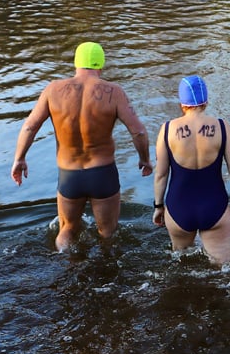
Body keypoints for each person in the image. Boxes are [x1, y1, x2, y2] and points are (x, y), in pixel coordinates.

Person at [11, 41, 152, 250]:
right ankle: (106, 271)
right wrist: (144, 158)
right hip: (103, 173)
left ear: (76, 63)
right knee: (108, 233)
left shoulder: (53, 90)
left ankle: (65, 265)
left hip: (69, 174)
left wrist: (19, 158)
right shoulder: (114, 92)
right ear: (100, 65)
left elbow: (30, 126)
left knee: (66, 229)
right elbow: (138, 131)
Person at [152, 75, 230, 265]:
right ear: (205, 101)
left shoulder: (167, 130)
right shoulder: (222, 127)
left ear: (182, 103)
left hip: (178, 208)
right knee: (223, 271)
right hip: (215, 207)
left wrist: (157, 207)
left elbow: (161, 174)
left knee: (181, 265)